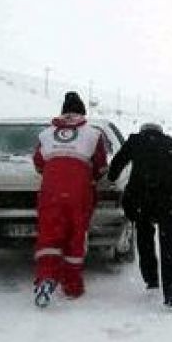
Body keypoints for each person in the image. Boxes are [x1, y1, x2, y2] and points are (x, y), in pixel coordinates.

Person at [31, 92, 108, 308]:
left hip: (51, 190)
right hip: (79, 191)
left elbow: (38, 163)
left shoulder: (46, 134)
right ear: (83, 113)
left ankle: (46, 277)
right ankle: (72, 286)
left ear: (62, 112)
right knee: (75, 235)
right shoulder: (93, 134)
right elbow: (101, 166)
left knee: (49, 235)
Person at [108, 122, 172, 311]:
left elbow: (118, 163)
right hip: (168, 200)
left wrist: (111, 177)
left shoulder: (136, 141)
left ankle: (152, 280)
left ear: (142, 131)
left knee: (145, 237)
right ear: (161, 132)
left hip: (142, 199)